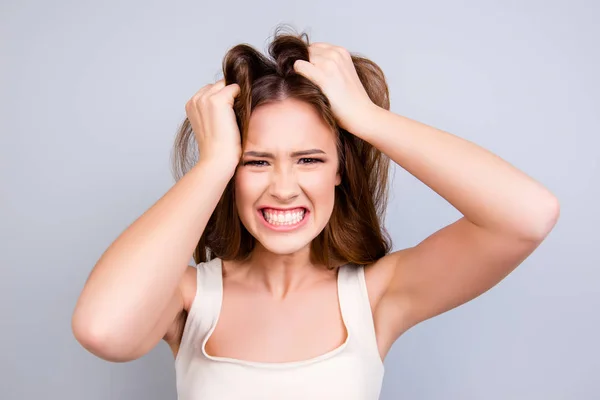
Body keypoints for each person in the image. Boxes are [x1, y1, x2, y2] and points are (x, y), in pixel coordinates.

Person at [71, 27, 560, 400]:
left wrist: (367, 120)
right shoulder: (187, 296)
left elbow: (529, 215)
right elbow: (103, 330)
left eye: (309, 159)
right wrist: (215, 162)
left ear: (339, 171)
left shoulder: (376, 296)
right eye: (256, 162)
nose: (284, 188)